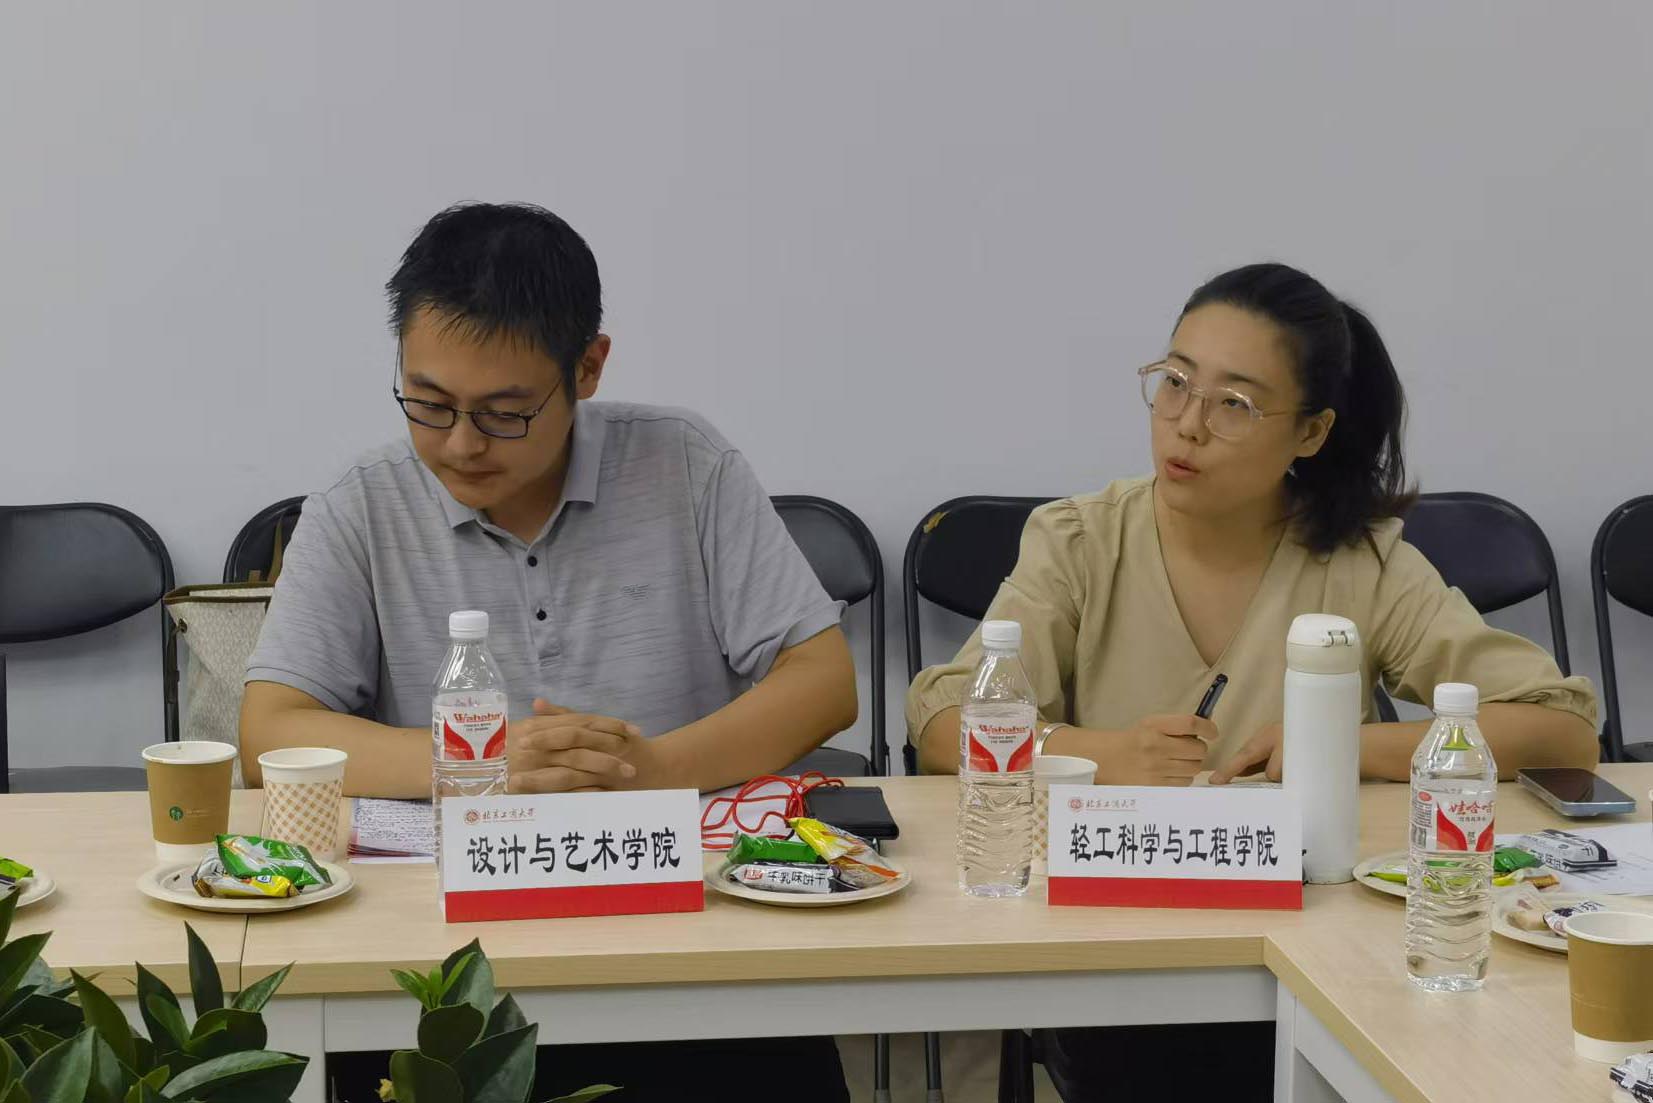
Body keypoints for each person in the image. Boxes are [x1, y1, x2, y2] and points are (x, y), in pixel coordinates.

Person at [905, 262, 1597, 1100]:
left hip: (1315, 941)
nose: (1186, 425)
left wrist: (1343, 747)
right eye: (1174, 382)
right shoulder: (1081, 541)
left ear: (1309, 432)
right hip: (1123, 942)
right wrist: (1097, 753)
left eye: (1233, 403)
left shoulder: (1358, 560)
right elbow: (943, 722)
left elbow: (1559, 729)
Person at [241, 201, 857, 1102]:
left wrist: (653, 770)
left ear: (588, 367)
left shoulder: (685, 464)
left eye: (504, 413)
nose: (459, 444)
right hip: (445, 963)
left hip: (683, 934)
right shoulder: (362, 504)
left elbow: (823, 678)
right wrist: (476, 764)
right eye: (429, 403)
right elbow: (269, 730)